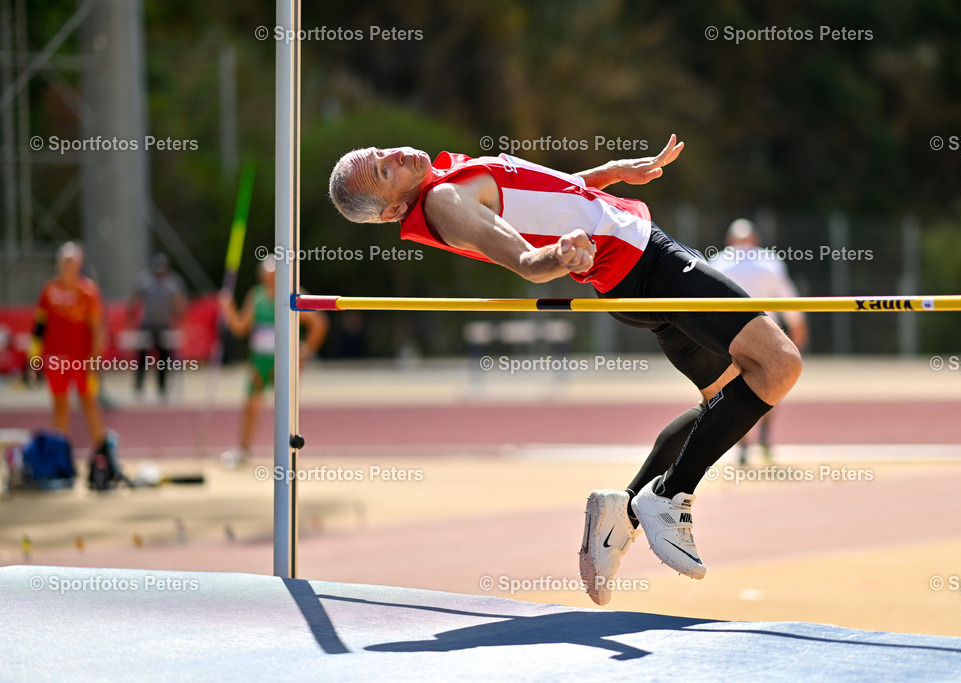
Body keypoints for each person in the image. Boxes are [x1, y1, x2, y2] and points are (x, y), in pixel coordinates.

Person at [328, 137, 802, 605]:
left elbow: (548, 196)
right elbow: (525, 261)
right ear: (393, 210)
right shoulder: (445, 199)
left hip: (631, 270)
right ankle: (670, 495)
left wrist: (609, 173)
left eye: (380, 152)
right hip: (646, 262)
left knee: (725, 401)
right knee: (780, 364)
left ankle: (623, 512)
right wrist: (560, 254)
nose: (395, 155)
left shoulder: (448, 180)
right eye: (386, 172)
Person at [709, 219, 809, 465]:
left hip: (730, 337)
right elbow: (788, 297)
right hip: (765, 335)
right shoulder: (768, 261)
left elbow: (705, 302)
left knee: (736, 388)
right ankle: (762, 435)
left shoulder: (717, 262)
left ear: (729, 240)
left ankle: (744, 441)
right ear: (754, 239)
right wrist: (797, 327)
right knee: (772, 384)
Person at [218, 256, 327, 466]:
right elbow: (241, 328)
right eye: (266, 276)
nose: (269, 279)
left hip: (285, 361)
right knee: (251, 405)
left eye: (273, 275)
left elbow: (319, 323)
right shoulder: (256, 296)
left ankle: (284, 450)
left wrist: (305, 351)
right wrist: (228, 309)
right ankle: (243, 449)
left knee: (285, 408)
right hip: (260, 360)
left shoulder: (294, 294)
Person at [29, 242, 107, 450]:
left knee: (89, 402)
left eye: (71, 261)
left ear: (79, 264)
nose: (67, 265)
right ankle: (58, 453)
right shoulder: (49, 290)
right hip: (55, 359)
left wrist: (95, 359)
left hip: (82, 359)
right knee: (59, 404)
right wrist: (34, 359)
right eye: (64, 260)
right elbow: (39, 328)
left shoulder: (88, 291)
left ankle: (102, 453)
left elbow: (97, 329)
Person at [131, 253, 188, 400]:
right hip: (147, 324)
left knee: (163, 358)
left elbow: (180, 302)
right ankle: (139, 386)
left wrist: (180, 319)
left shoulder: (173, 282)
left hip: (164, 325)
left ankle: (162, 388)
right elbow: (135, 299)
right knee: (142, 357)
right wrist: (131, 319)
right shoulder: (145, 280)